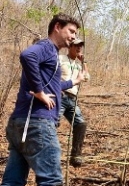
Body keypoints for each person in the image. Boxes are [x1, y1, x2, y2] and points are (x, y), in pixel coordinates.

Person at [1, 13, 85, 186]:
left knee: (12, 181)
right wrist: (39, 92)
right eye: (71, 31)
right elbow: (27, 55)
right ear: (57, 27)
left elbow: (52, 87)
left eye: (75, 33)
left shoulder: (51, 54)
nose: (73, 36)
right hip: (38, 124)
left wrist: (73, 82)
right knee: (52, 180)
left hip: (21, 124)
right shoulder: (46, 47)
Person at [59, 38, 90, 167]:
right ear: (70, 47)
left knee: (81, 124)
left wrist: (84, 62)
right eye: (76, 46)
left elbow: (87, 77)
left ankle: (76, 155)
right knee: (51, 124)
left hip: (72, 99)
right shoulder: (60, 59)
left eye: (80, 47)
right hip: (60, 96)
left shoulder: (79, 65)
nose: (79, 49)